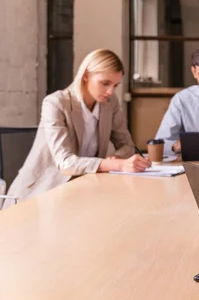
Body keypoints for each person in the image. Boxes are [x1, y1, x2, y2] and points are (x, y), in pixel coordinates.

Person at [4, 49, 150, 209]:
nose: (110, 92)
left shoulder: (110, 103)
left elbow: (127, 145)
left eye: (115, 85)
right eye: (105, 83)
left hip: (83, 188)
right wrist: (119, 165)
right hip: (41, 195)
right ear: (86, 75)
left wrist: (115, 158)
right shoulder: (56, 103)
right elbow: (65, 163)